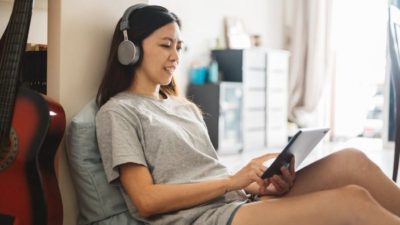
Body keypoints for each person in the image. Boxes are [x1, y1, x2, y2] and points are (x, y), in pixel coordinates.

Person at [95, 4, 400, 225]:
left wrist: (257, 184)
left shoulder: (183, 107)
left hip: (236, 201)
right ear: (130, 49)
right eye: (165, 45)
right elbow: (145, 201)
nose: (176, 56)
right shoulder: (119, 112)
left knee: (351, 161)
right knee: (351, 201)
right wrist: (230, 182)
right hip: (204, 217)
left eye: (179, 46)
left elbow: (207, 173)